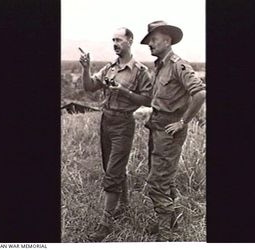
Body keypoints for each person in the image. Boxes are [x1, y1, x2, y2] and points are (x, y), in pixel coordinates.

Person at [79, 27, 152, 242]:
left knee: (112, 173)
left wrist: (124, 92)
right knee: (111, 167)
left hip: (123, 124)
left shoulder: (140, 71)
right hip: (106, 122)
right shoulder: (109, 68)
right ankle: (124, 205)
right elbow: (89, 87)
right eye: (113, 40)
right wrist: (86, 68)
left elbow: (148, 100)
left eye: (118, 40)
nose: (115, 43)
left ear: (130, 41)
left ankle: (106, 223)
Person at [140, 21, 206, 241]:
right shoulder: (160, 65)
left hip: (169, 130)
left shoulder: (178, 65)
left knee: (156, 182)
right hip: (157, 127)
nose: (150, 44)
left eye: (153, 39)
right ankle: (172, 218)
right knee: (165, 179)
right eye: (149, 40)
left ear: (167, 40)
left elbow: (199, 94)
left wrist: (183, 122)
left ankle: (166, 234)